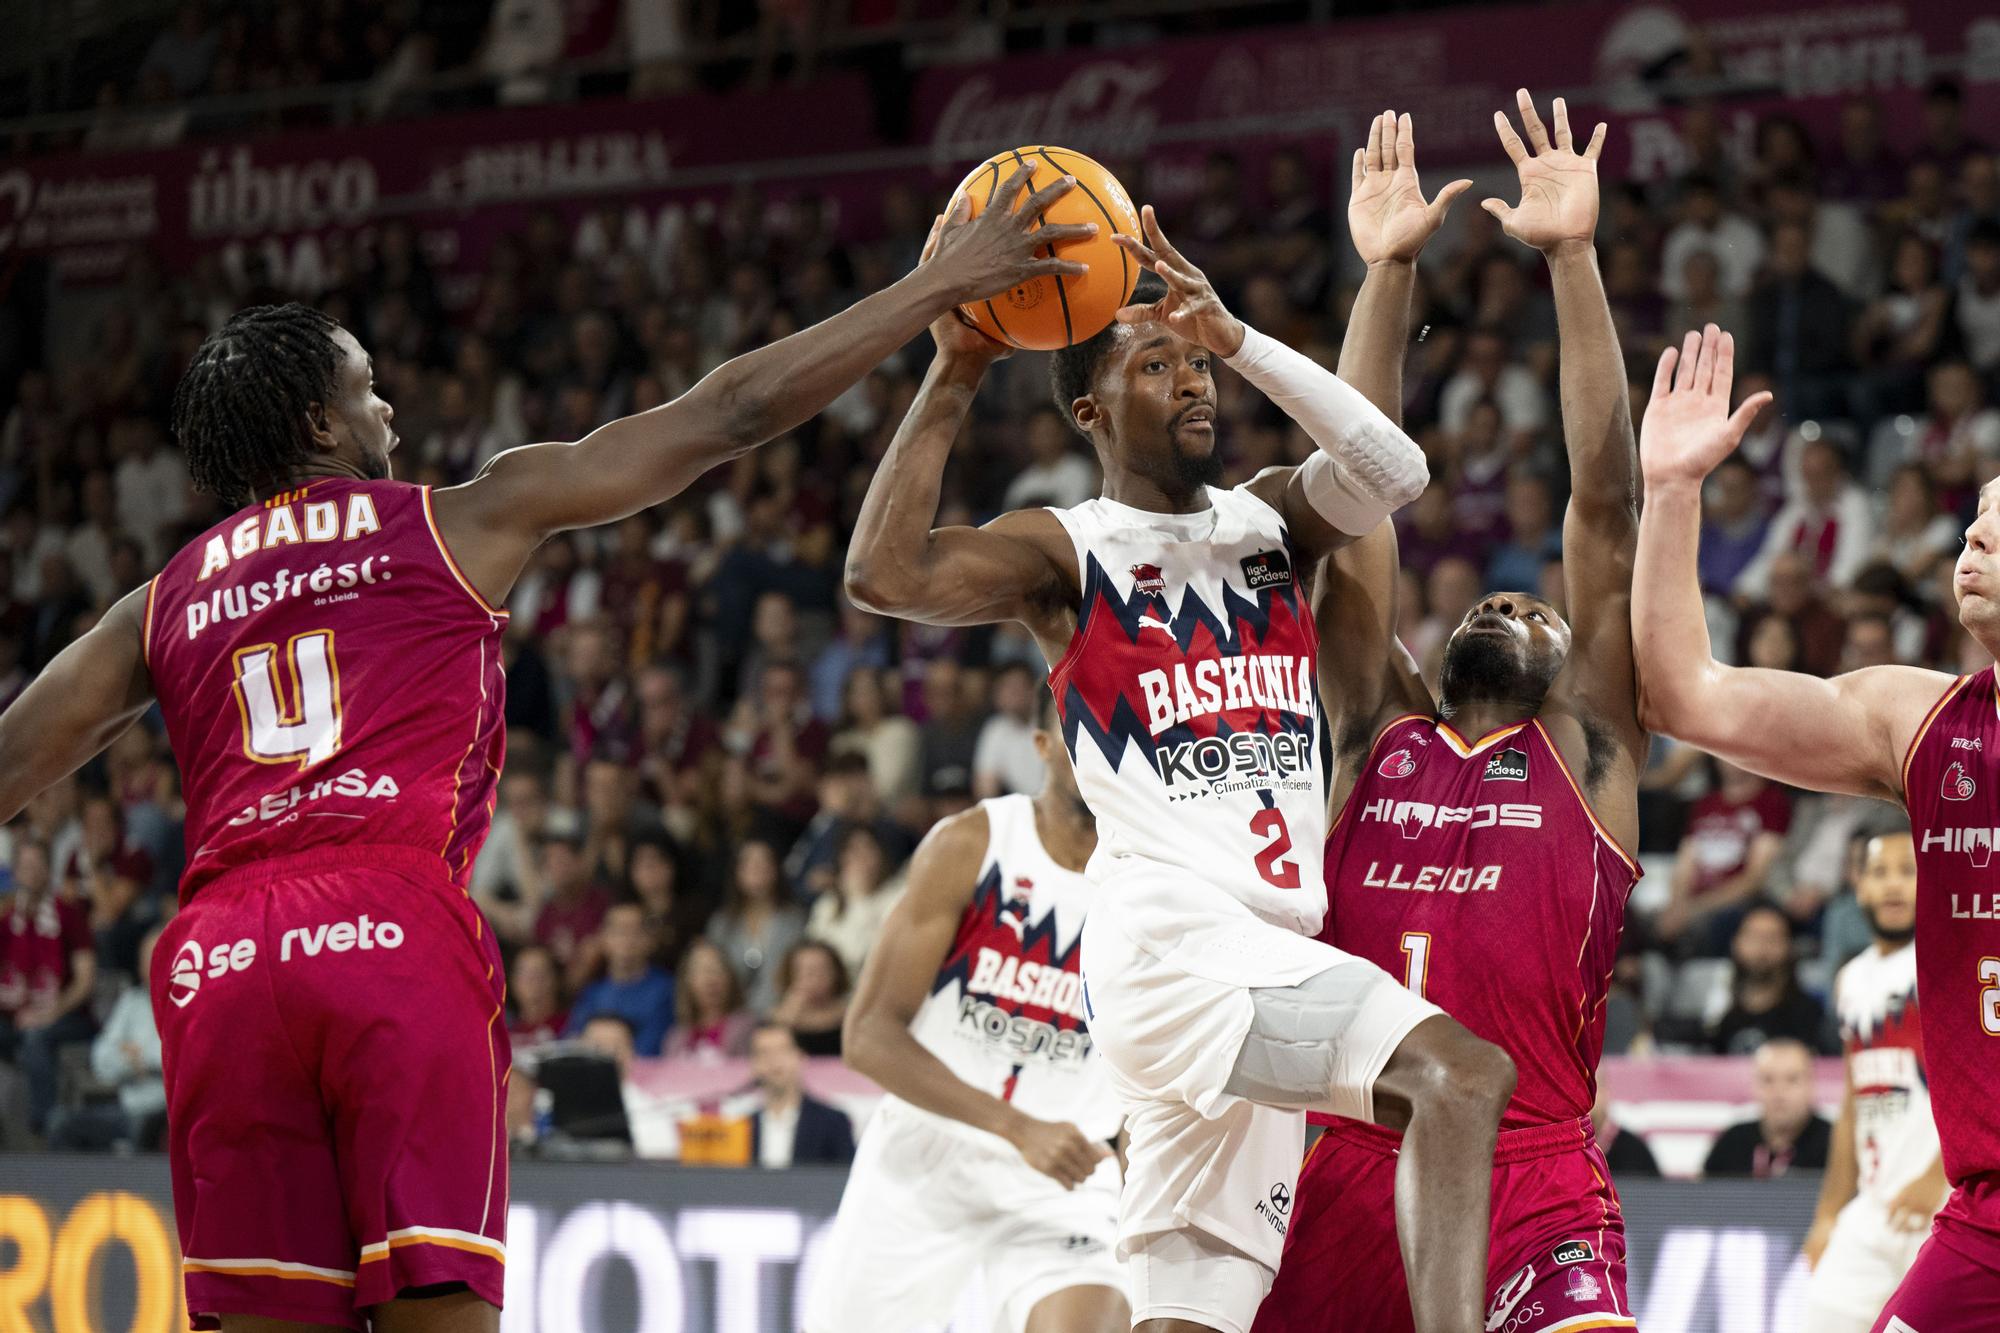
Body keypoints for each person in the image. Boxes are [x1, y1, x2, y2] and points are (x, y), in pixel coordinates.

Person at [0, 174, 1074, 1332]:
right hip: (385, 929)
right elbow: (730, 416)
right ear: (320, 423)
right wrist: (935, 290)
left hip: (219, 959)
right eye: (369, 392)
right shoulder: (453, 518)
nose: (391, 416)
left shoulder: (151, 607)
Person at [845, 110, 1515, 1333]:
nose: (1188, 377)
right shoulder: (1070, 551)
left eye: (1190, 361)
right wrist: (951, 367)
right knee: (1459, 1078)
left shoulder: (1267, 520)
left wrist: (1245, 339)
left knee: (1183, 1319)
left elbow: (1391, 474)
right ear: (1089, 412)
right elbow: (883, 575)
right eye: (1151, 364)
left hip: (1258, 958)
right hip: (1178, 951)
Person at [1257, 94, 1645, 1333]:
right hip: (1344, 1153)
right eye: (1489, 595)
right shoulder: (1380, 726)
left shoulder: (1585, 751)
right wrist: (1384, 279)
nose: (1508, 599)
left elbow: (1602, 507)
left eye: (1536, 604)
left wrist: (1573, 261)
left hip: (1533, 1165)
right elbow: (1356, 493)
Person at [1631, 318, 2000, 1329]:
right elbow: (1684, 698)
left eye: (1999, 523)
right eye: (1971, 514)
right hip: (1984, 1219)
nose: (1971, 536)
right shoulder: (1919, 720)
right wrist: (1669, 494)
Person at [811, 691, 1123, 1333]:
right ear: (1041, 747)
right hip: (929, 1160)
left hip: (1069, 1171)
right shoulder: (975, 843)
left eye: (1118, 730)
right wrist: (1018, 1128)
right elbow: (867, 1035)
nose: (1102, 746)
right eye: (1080, 729)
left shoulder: (1153, 874)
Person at [1803, 819, 1946, 1333]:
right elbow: (1851, 1104)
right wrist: (1827, 1215)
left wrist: (1937, 1180)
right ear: (1856, 883)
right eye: (1879, 871)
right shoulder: (1850, 978)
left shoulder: (1948, 962)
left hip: (1946, 1208)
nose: (1893, 884)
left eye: (1908, 871)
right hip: (1873, 1208)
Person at [0, 837, 97, 1138]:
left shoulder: (67, 913)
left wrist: (50, 1013)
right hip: (14, 1013)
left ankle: (44, 1131)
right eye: (24, 865)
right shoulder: (5, 920)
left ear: (48, 869)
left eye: (37, 864)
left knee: (35, 1039)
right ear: (14, 871)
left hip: (68, 1016)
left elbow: (85, 979)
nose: (30, 872)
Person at [50, 924, 167, 1151]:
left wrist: (142, 1056)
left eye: (154, 957)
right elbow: (101, 1057)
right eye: (143, 958)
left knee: (146, 1128)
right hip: (126, 1108)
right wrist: (131, 1063)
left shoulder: (186, 1001)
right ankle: (73, 1187)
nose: (147, 965)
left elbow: (186, 1060)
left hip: (163, 1113)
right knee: (61, 1123)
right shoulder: (131, 1001)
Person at [1707, 901, 1832, 1056]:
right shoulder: (1718, 1014)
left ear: (1789, 947)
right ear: (1735, 943)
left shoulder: (1809, 1016)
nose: (1762, 947)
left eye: (1772, 938)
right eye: (1753, 937)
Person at [1702, 1037, 1832, 1177]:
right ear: (1753, 1085)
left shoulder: (1836, 1145)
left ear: (1811, 1084)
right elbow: (1704, 1194)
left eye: (1792, 1079)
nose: (1779, 1091)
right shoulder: (1732, 1142)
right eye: (1767, 1080)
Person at [565, 901, 675, 1056]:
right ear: (604, 938)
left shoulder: (665, 990)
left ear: (649, 940)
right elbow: (571, 1042)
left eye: (635, 931)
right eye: (619, 931)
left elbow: (650, 1050)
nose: (627, 940)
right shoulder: (591, 993)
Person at [747, 1020, 854, 1167]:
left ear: (801, 1057)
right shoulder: (743, 1126)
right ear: (753, 1064)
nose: (774, 1060)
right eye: (764, 1053)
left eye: (783, 1050)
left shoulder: (832, 1122)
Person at [665, 937, 755, 1060]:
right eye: (701, 970)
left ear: (731, 978)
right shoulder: (675, 1037)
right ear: (687, 981)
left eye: (718, 969)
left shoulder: (747, 1027)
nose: (711, 979)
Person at [769, 939, 849, 1057]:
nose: (813, 978)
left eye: (821, 969)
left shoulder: (850, 1016)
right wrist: (791, 1009)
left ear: (837, 973)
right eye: (804, 971)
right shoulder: (777, 1017)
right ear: (789, 974)